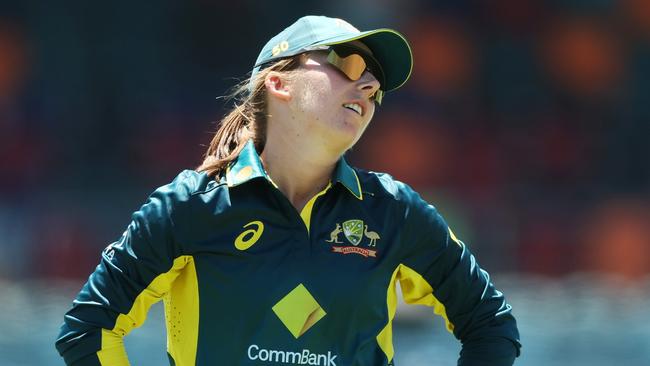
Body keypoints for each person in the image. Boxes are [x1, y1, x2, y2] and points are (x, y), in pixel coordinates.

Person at [55, 15, 521, 366]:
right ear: (277, 81)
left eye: (375, 83)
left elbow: (491, 326)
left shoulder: (396, 213)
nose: (370, 83)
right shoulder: (187, 208)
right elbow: (87, 331)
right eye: (348, 62)